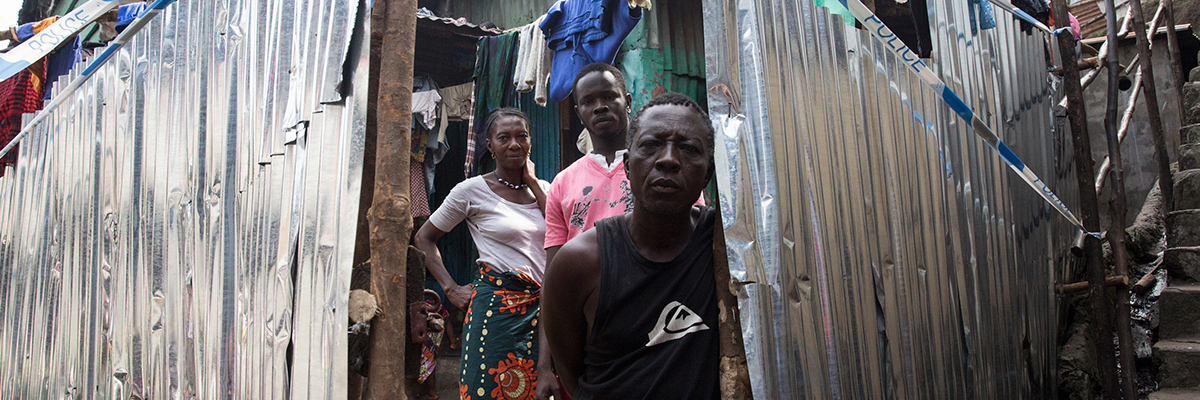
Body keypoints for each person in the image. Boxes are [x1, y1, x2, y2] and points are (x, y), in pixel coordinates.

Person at [541, 92, 720, 400]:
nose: (668, 160)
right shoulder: (580, 263)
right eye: (651, 146)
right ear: (626, 165)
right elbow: (574, 377)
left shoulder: (726, 248)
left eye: (688, 149)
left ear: (707, 175)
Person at [412, 108, 549, 400]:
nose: (514, 144)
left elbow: (560, 235)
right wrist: (450, 288)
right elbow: (424, 237)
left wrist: (535, 184)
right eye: (504, 137)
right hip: (496, 311)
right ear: (490, 145)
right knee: (488, 391)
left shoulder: (546, 191)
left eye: (521, 136)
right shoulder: (471, 191)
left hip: (544, 312)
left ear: (530, 141)